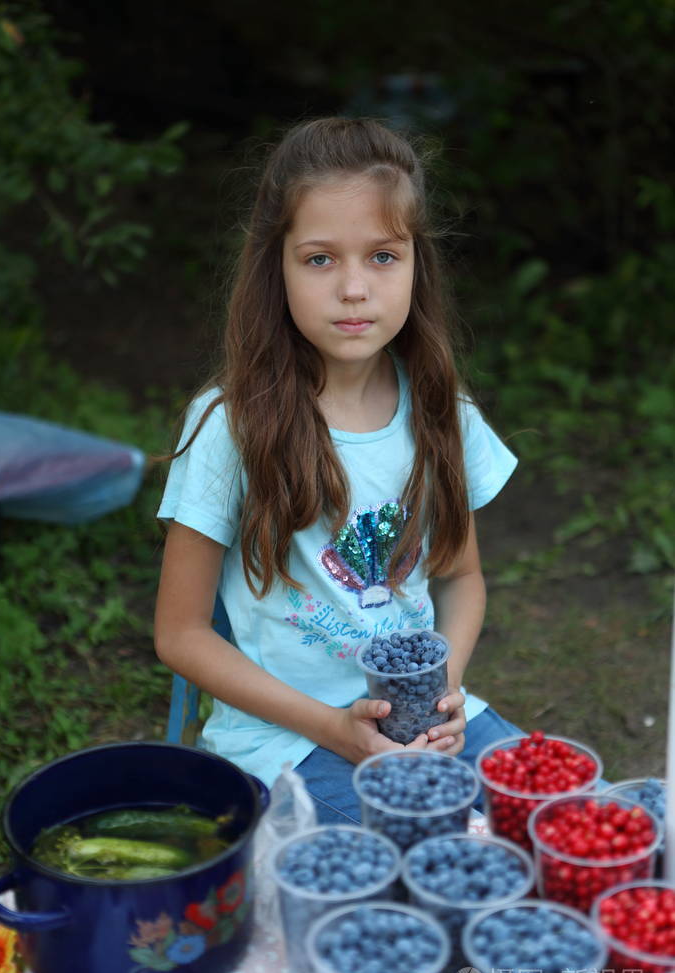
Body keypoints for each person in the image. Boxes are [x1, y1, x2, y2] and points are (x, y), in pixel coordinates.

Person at [154, 116, 523, 824]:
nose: (354, 288)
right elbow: (180, 634)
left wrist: (446, 689)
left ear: (418, 263)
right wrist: (335, 729)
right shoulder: (231, 424)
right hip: (287, 736)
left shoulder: (441, 410)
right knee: (405, 870)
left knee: (547, 819)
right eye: (320, 259)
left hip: (428, 722)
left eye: (382, 256)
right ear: (278, 266)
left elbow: (462, 576)